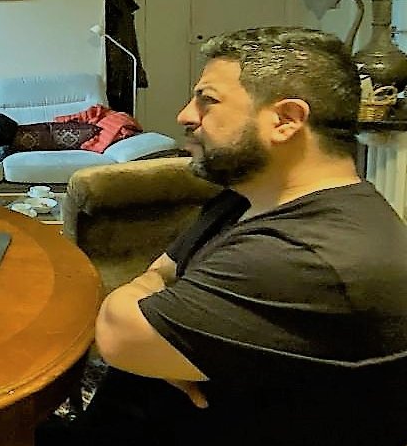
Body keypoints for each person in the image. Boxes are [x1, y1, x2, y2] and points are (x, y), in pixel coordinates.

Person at [38, 27, 407, 446]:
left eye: (207, 101)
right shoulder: (249, 198)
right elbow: (158, 272)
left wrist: (144, 322)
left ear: (286, 120)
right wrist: (157, 333)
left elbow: (118, 332)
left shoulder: (304, 255)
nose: (185, 115)